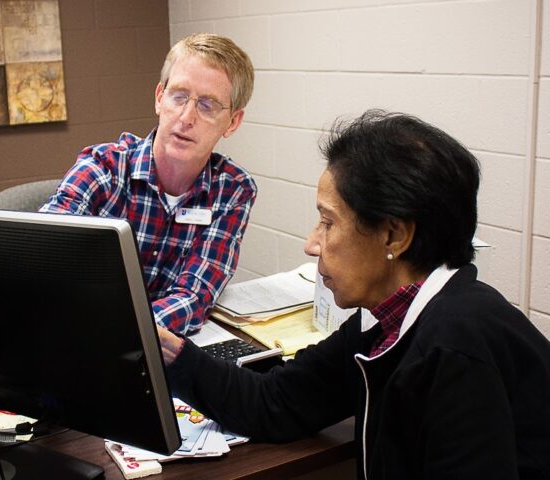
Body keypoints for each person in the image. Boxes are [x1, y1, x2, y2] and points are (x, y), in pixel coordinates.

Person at [158, 110, 550, 479]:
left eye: (328, 222)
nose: (312, 243)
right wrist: (168, 352)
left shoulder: (455, 346)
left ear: (394, 235)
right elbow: (274, 402)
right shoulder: (386, 321)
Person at [41, 33, 256, 335]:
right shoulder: (103, 167)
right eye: (178, 96)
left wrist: (123, 331)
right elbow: (43, 253)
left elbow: (194, 295)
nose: (186, 117)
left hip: (150, 346)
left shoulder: (232, 191)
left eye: (207, 105)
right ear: (159, 98)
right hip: (74, 335)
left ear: (232, 122)